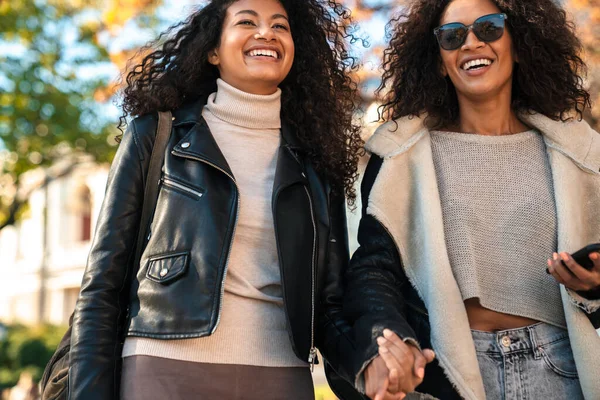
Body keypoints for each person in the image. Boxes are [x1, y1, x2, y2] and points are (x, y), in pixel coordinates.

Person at [68, 0, 363, 399]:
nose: (266, 32)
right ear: (212, 50)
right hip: (164, 371)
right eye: (247, 21)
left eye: (281, 25)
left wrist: (370, 363)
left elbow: (329, 303)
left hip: (281, 377)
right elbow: (102, 285)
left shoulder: (316, 162)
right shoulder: (156, 137)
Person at [323, 0, 600, 399]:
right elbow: (374, 269)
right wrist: (391, 339)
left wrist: (592, 285)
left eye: (488, 28)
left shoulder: (577, 154)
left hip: (559, 368)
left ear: (518, 46)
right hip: (452, 371)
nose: (471, 43)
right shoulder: (402, 157)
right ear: (439, 61)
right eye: (452, 37)